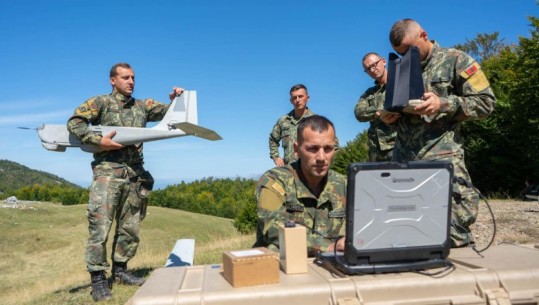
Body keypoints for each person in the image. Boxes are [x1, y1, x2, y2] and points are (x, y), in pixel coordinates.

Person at [67, 63, 184, 302]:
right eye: (125, 77)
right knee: (100, 226)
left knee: (130, 227)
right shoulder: (100, 102)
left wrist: (175, 100)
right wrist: (99, 141)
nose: (131, 81)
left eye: (133, 77)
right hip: (107, 172)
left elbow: (167, 113)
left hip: (135, 174)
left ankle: (121, 271)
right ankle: (98, 280)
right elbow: (75, 122)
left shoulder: (142, 106)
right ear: (113, 80)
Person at [381, 19, 496, 247]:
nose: (406, 56)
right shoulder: (399, 69)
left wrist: (443, 103)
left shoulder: (456, 60)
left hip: (442, 161)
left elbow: (486, 103)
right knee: (407, 231)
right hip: (404, 161)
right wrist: (389, 118)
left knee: (452, 230)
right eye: (400, 53)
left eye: (410, 50)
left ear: (424, 35)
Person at [255, 115, 346, 257]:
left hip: (327, 266)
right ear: (296, 149)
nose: (322, 157)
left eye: (328, 148)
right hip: (277, 266)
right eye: (313, 149)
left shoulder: (343, 185)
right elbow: (272, 229)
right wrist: (328, 246)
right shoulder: (274, 181)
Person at [354, 52, 397, 162]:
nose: (372, 70)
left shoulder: (399, 84)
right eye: (368, 69)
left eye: (374, 65)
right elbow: (358, 112)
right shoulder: (369, 93)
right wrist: (377, 112)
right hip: (376, 151)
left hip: (398, 146)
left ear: (383, 61)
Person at [269, 84, 315, 166]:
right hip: (289, 170)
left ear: (307, 98)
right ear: (291, 101)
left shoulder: (316, 121)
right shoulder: (283, 121)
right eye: (294, 97)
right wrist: (275, 157)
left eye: (300, 96)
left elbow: (333, 145)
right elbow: (272, 139)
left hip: (309, 171)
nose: (297, 100)